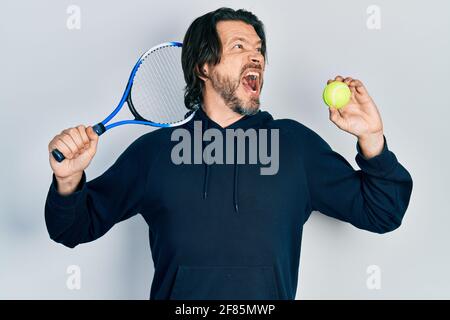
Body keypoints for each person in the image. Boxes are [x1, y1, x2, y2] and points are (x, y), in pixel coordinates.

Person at [45, 7, 413, 300]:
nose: (256, 58)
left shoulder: (296, 148)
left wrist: (372, 138)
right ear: (203, 67)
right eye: (239, 47)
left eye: (259, 51)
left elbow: (383, 212)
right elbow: (72, 228)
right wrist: (68, 180)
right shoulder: (155, 154)